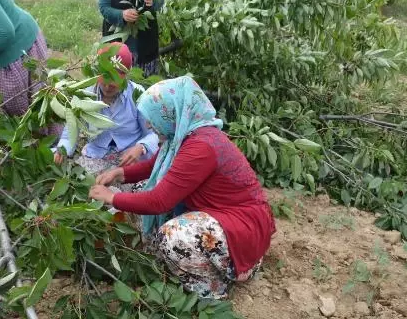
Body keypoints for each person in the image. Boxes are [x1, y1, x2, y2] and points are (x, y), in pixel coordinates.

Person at [89, 76, 276, 299]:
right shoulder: (184, 136)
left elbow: (159, 201)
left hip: (242, 230)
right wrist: (120, 174)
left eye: (153, 118)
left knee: (173, 236)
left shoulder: (199, 147)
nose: (149, 125)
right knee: (142, 187)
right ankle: (180, 260)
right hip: (224, 215)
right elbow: (155, 165)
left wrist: (112, 198)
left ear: (171, 112)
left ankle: (213, 290)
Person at [54, 43, 158, 177]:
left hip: (130, 157)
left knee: (134, 191)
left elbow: (154, 133)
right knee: (85, 184)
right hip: (97, 155)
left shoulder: (137, 95)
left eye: (113, 84)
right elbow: (70, 134)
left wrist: (141, 147)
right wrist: (62, 150)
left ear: (125, 76)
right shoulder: (84, 95)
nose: (108, 87)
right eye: (104, 81)